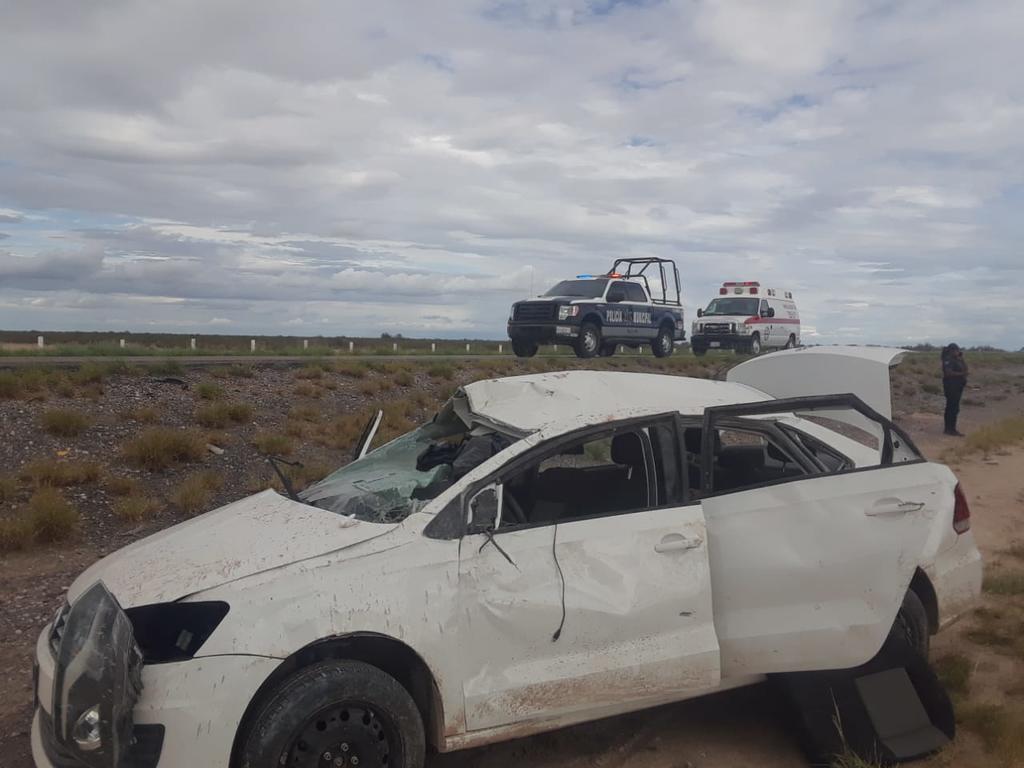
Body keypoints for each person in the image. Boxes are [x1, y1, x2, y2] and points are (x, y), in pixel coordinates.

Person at [941, 344, 968, 436]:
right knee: (952, 408)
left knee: (955, 408)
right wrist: (961, 374)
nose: (958, 352)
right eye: (957, 350)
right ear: (952, 351)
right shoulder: (948, 360)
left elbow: (965, 369)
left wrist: (961, 358)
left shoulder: (957, 359)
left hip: (958, 386)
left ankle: (951, 428)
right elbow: (948, 373)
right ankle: (949, 429)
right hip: (951, 386)